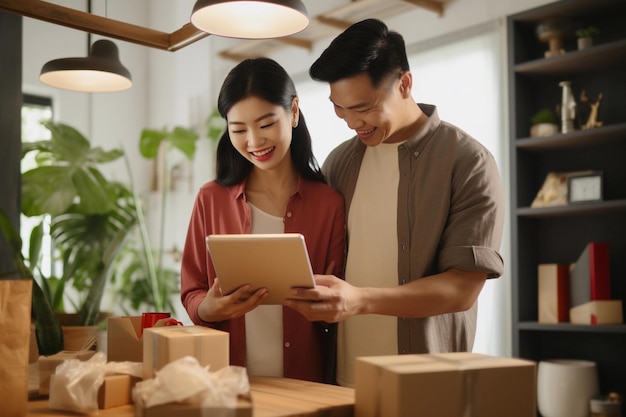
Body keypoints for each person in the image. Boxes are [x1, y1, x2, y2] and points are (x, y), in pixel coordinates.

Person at [284, 18, 505, 387]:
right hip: (342, 383)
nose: (352, 122)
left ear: (404, 83)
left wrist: (361, 300)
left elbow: (462, 288)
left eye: (364, 107)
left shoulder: (467, 162)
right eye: (339, 108)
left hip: (424, 390)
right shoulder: (339, 163)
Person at [180, 57, 345, 384]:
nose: (254, 142)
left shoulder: (329, 204)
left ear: (294, 111)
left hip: (304, 385)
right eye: (238, 129)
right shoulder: (210, 199)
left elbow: (336, 303)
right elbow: (192, 290)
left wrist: (323, 306)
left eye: (266, 124)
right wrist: (210, 309)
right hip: (226, 384)